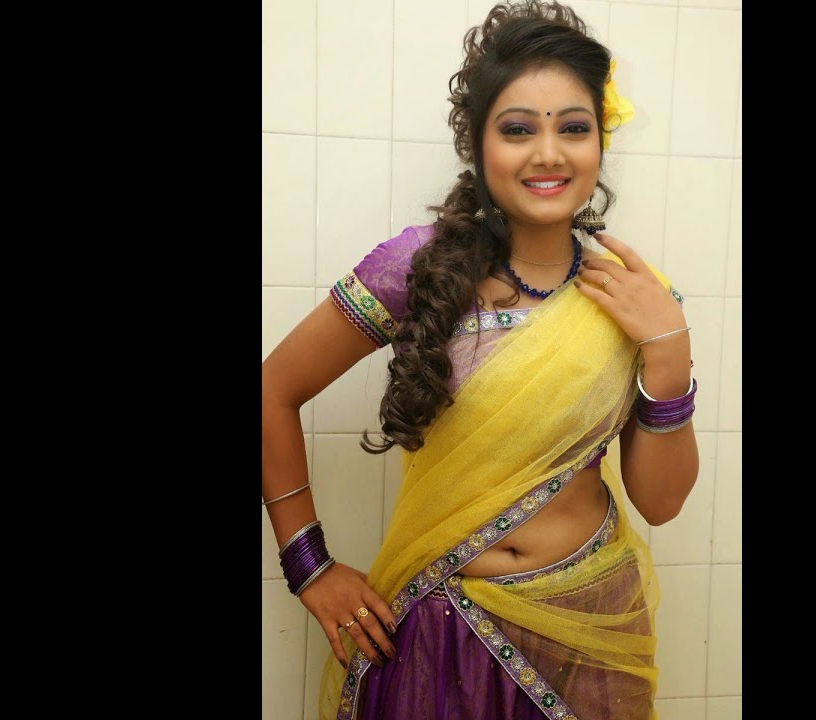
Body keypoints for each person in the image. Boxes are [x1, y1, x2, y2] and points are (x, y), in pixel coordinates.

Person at [263, 2, 700, 718]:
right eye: (519, 129)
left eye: (574, 128)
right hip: (436, 630)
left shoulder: (636, 298)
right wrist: (308, 566)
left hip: (587, 630)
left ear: (600, 141)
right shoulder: (418, 268)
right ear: (477, 141)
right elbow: (271, 391)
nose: (549, 153)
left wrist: (669, 354)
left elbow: (661, 502)